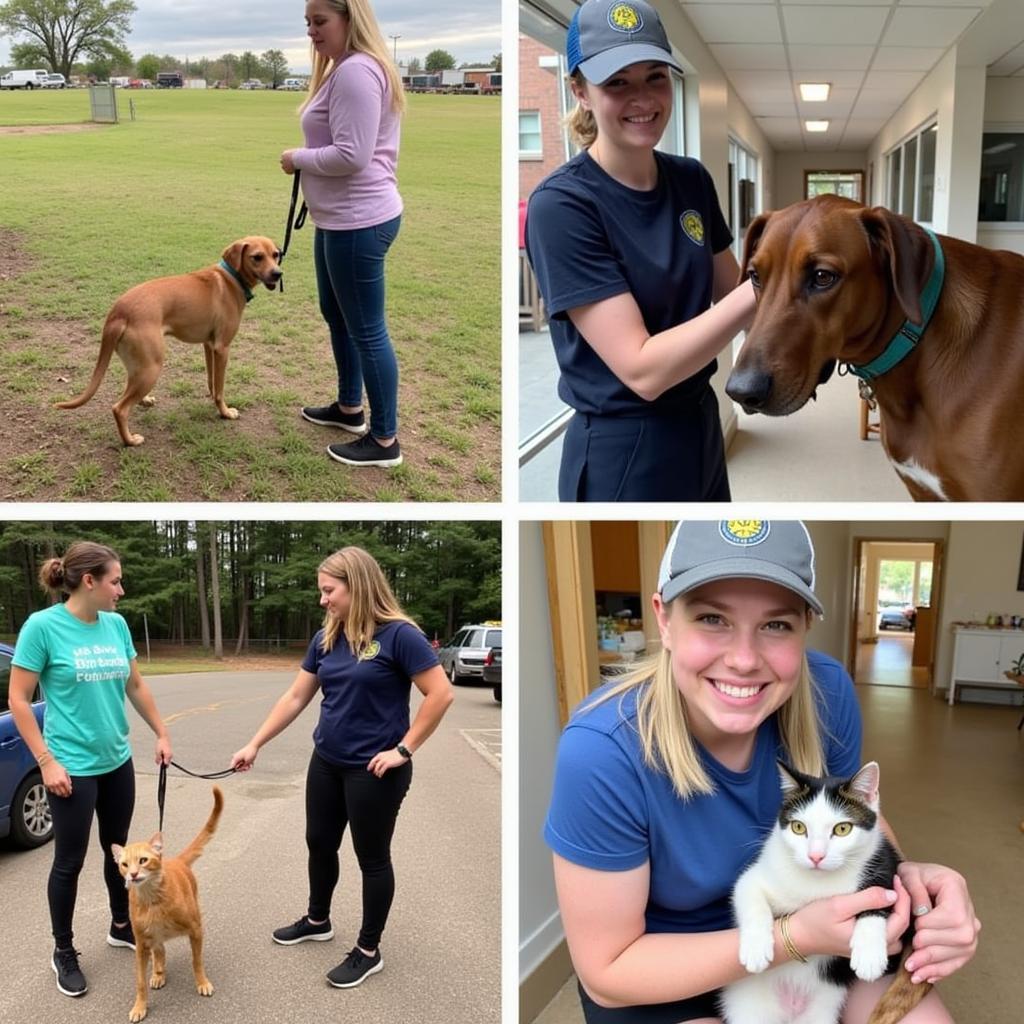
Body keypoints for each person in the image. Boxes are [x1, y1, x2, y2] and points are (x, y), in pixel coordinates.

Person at [545, 520, 980, 1023]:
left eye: (776, 625)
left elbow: (856, 819)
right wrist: (790, 938)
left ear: (803, 629)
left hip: (815, 950)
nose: (745, 659)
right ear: (663, 619)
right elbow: (607, 972)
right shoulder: (601, 751)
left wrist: (912, 882)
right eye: (711, 618)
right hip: (659, 974)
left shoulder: (826, 692)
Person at [525, 0, 758, 501]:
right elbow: (643, 370)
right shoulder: (562, 206)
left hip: (700, 420)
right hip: (626, 444)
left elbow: (733, 293)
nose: (643, 98)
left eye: (655, 77)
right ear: (580, 91)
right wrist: (771, 284)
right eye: (617, 83)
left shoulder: (690, 179)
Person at [230, 545, 454, 988]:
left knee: (371, 858)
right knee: (319, 842)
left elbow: (441, 694)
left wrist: (403, 751)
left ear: (358, 585)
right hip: (327, 761)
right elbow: (296, 697)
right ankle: (318, 920)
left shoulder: (398, 636)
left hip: (374, 770)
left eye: (329, 590)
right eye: (321, 591)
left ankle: (368, 950)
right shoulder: (327, 637)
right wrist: (255, 743)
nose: (323, 600)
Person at [8, 542, 173, 999]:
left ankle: (121, 924)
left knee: (116, 855)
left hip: (116, 762)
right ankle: (63, 950)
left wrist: (161, 732)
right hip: (71, 768)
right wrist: (46, 761)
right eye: (115, 581)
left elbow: (135, 684)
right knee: (69, 861)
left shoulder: (116, 625)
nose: (121, 590)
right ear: (89, 582)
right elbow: (19, 699)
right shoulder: (43, 628)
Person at [284, 0, 406, 468]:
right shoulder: (345, 69)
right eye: (308, 23)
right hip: (338, 218)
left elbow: (352, 156)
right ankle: (349, 407)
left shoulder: (357, 72)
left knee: (368, 330)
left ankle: (383, 440)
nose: (312, 32)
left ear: (349, 20)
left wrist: (297, 158)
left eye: (320, 21)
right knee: (336, 313)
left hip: (360, 221)